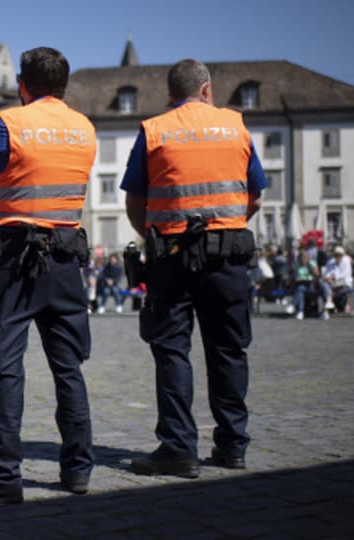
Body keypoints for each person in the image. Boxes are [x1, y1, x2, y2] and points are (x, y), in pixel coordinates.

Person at [0, 46, 96, 502]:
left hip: (14, 258)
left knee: (4, 367)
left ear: (22, 84)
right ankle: (77, 470)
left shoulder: (6, 124)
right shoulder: (84, 129)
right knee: (68, 367)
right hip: (65, 256)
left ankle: (0, 478)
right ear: (63, 85)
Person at [122, 59, 268, 478]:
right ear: (207, 90)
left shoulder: (155, 130)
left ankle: (179, 448)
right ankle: (232, 446)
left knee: (171, 350)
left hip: (171, 255)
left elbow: (135, 201)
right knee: (228, 349)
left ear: (171, 94)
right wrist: (227, 224)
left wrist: (152, 232)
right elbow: (254, 195)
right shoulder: (235, 126)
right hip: (228, 255)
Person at [287, 250, 326, 320]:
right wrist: (295, 277)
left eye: (305, 258)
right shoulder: (297, 264)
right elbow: (294, 275)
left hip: (312, 286)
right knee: (301, 289)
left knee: (300, 289)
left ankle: (295, 307)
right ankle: (300, 311)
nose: (304, 260)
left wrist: (312, 268)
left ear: (308, 258)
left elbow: (317, 275)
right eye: (302, 258)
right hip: (300, 283)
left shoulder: (312, 264)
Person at [321, 246, 353, 313]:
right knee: (324, 284)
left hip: (344, 282)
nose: (338, 257)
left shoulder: (346, 261)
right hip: (333, 283)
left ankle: (330, 300)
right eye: (336, 255)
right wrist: (328, 277)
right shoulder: (330, 262)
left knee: (342, 289)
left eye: (339, 255)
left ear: (342, 255)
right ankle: (329, 301)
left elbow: (345, 274)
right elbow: (327, 272)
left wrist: (333, 277)